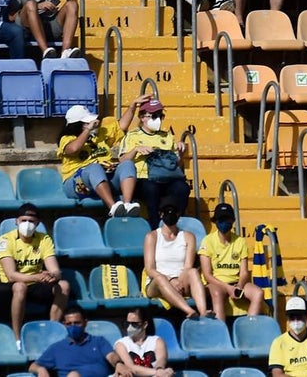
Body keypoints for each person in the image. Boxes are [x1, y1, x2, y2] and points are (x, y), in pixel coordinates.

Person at [0, 203, 69, 341]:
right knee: (20, 286)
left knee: (63, 286)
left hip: (36, 283)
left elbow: (55, 269)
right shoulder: (6, 239)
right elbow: (11, 275)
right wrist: (37, 277)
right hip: (9, 287)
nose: (27, 224)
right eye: (24, 220)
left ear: (38, 223)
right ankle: (17, 336)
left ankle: (52, 329)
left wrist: (52, 275)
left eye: (31, 221)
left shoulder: (44, 239)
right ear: (16, 221)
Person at [58, 102, 142, 218]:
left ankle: (127, 205)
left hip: (103, 179)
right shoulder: (67, 138)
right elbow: (73, 149)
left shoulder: (100, 134)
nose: (94, 124)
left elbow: (121, 126)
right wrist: (87, 131)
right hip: (78, 184)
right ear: (77, 125)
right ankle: (113, 207)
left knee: (127, 164)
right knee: (94, 167)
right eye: (88, 123)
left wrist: (133, 106)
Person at [117, 99, 191, 229]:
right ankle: (155, 226)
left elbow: (176, 165)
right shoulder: (132, 136)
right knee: (151, 189)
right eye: (153, 116)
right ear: (142, 117)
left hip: (166, 177)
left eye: (160, 115)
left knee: (182, 188)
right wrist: (135, 150)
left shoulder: (167, 136)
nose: (158, 119)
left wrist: (180, 154)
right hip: (143, 179)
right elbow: (122, 161)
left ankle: (174, 222)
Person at [143, 198, 209, 319]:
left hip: (181, 281)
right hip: (157, 283)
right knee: (159, 278)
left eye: (173, 211)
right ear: (161, 214)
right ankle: (189, 310)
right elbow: (150, 269)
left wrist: (178, 280)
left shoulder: (188, 236)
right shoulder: (152, 236)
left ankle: (204, 311)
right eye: (166, 211)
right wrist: (170, 279)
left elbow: (187, 267)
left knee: (193, 272)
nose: (170, 214)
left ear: (178, 214)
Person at [199, 203, 264, 317]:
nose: (224, 222)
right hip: (216, 283)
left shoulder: (240, 241)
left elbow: (244, 272)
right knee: (217, 293)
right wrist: (227, 288)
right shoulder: (207, 241)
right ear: (215, 221)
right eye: (221, 219)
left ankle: (248, 328)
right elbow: (207, 275)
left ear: (233, 220)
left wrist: (239, 285)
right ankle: (221, 331)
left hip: (235, 282)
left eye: (227, 219)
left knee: (258, 293)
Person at [32, 306, 133, 377]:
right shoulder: (57, 348)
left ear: (85, 322)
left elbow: (111, 356)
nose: (73, 327)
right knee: (73, 375)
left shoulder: (98, 341)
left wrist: (119, 364)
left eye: (77, 323)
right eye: (69, 324)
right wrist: (40, 369)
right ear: (64, 325)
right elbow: (33, 366)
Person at [114, 307, 174, 377]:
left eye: (134, 324)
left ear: (145, 324)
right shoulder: (121, 344)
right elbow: (131, 367)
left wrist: (160, 369)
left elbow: (161, 360)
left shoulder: (157, 341)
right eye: (127, 323)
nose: (129, 327)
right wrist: (158, 372)